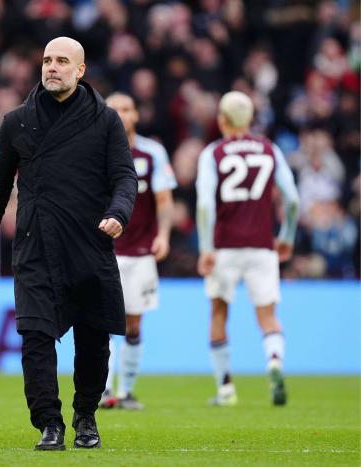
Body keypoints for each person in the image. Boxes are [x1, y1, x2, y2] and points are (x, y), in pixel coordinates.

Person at [0, 37, 137, 451]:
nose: (52, 67)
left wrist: (118, 213)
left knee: (94, 336)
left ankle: (85, 416)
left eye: (62, 61)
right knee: (34, 336)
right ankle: (49, 422)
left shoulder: (106, 120)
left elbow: (124, 177)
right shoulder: (17, 122)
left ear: (80, 70)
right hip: (35, 245)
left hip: (90, 243)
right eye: (47, 60)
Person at [195, 91, 299, 407]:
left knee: (218, 312)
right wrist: (287, 237)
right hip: (261, 245)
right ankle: (274, 363)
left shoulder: (213, 153)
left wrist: (206, 247)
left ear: (222, 120)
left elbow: (204, 205)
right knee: (268, 315)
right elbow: (292, 199)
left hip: (225, 246)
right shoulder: (270, 150)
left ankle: (226, 389)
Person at [99, 93, 176, 411]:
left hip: (141, 250)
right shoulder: (93, 149)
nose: (121, 114)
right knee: (102, 323)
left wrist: (164, 234)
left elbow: (164, 200)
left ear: (136, 116)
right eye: (114, 108)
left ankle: (127, 390)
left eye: (127, 109)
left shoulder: (152, 152)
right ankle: (102, 390)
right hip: (103, 250)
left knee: (133, 324)